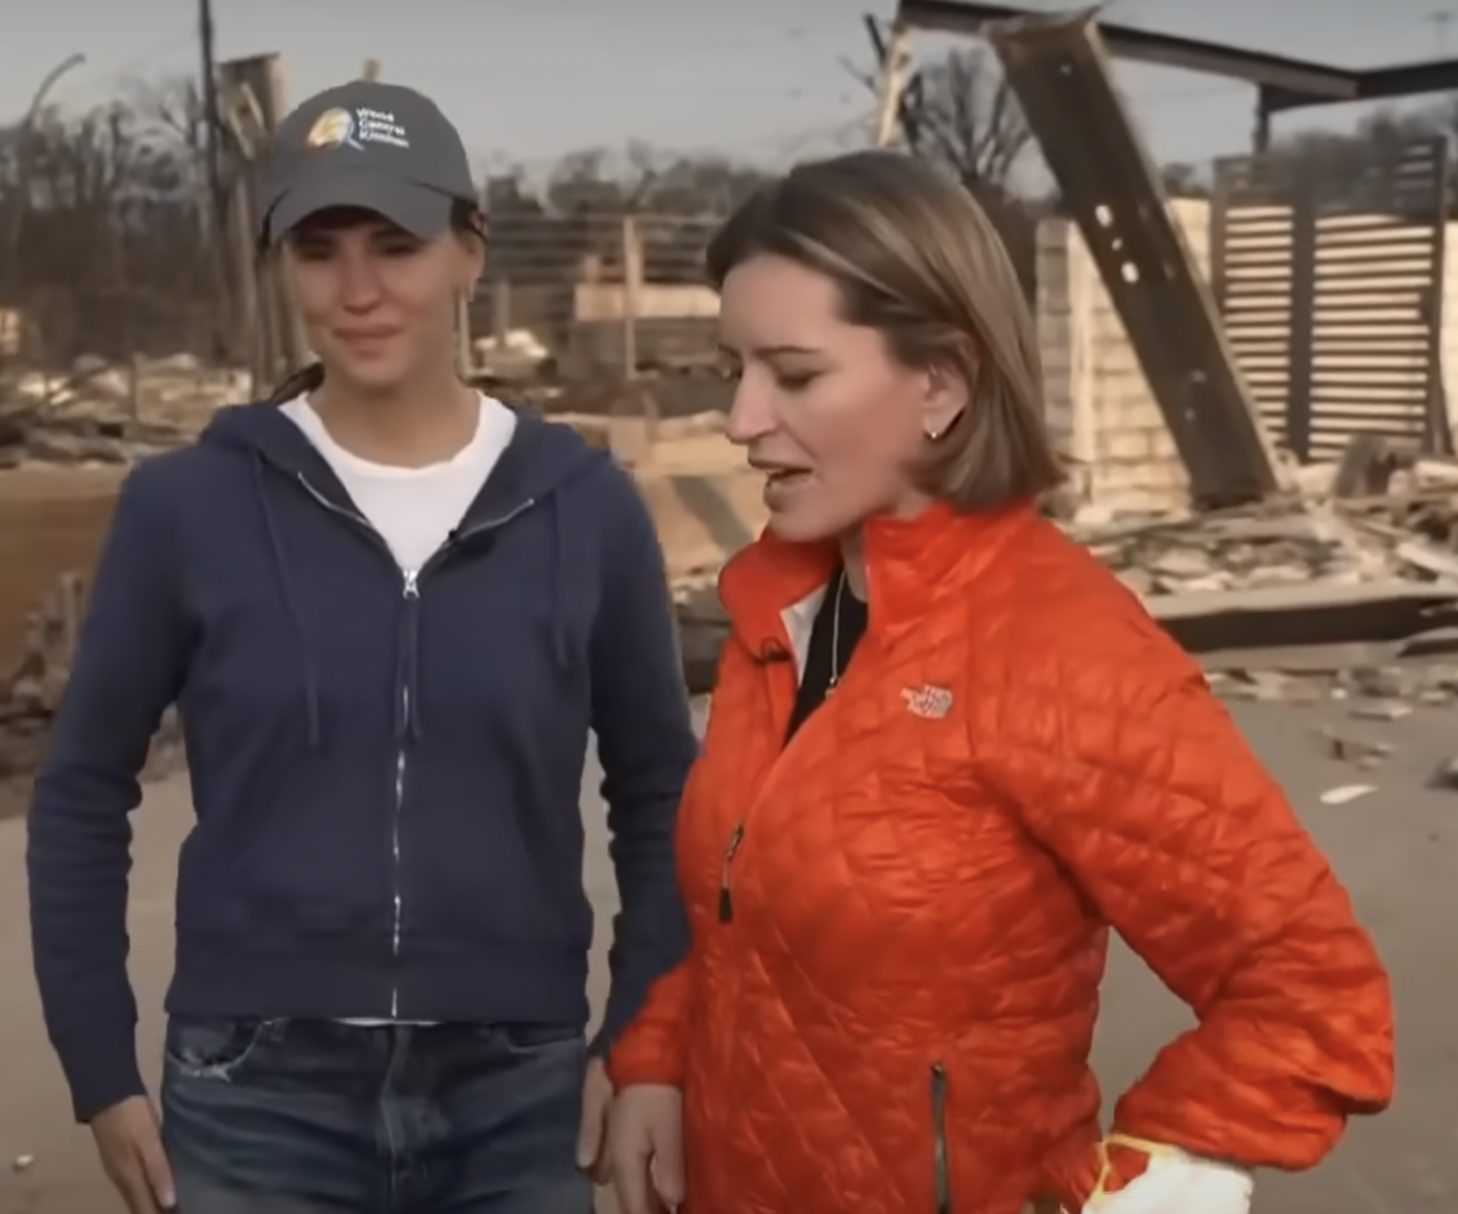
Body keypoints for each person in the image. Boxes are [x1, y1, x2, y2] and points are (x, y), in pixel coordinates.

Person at [603, 150, 1395, 1214]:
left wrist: (1157, 1178)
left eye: (792, 375)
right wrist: (657, 1058)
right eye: (732, 368)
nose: (741, 419)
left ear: (942, 382)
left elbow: (1314, 995)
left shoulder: (1066, 653)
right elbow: (742, 912)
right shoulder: (778, 613)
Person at [27, 79, 697, 1214]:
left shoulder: (586, 508)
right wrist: (100, 1066)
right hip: (254, 1094)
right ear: (280, 266)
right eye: (319, 248)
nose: (359, 289)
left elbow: (664, 797)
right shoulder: (186, 507)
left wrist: (643, 1039)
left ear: (467, 250)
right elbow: (83, 791)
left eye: (396, 243)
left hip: (521, 1092)